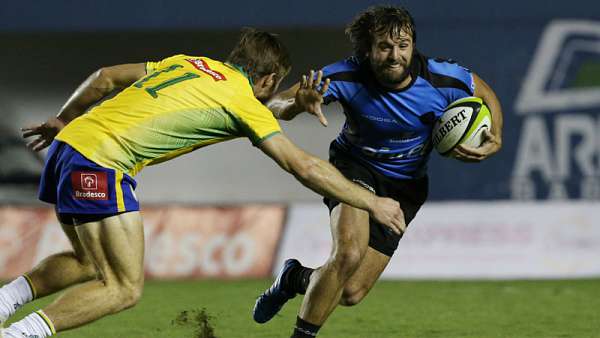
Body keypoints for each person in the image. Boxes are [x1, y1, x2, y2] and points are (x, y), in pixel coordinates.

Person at [0, 28, 405, 338]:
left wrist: (64, 118)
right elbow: (302, 166)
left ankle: (5, 302)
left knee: (89, 263)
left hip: (68, 148)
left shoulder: (187, 63)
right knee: (122, 288)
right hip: (102, 162)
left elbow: (105, 77)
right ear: (267, 81)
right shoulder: (243, 102)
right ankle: (17, 335)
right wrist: (372, 203)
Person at [253, 6, 504, 338]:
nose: (395, 55)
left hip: (405, 186)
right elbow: (271, 106)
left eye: (403, 45)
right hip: (355, 168)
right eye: (384, 46)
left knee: (350, 292)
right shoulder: (345, 76)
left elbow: (485, 93)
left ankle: (293, 278)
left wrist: (496, 137)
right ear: (368, 50)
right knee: (348, 255)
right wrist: (298, 103)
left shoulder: (443, 78)